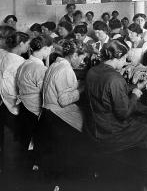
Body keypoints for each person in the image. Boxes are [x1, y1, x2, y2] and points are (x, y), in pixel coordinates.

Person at [84, 40, 147, 153]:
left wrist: (137, 86)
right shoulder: (115, 78)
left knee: (141, 121)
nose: (125, 63)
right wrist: (134, 95)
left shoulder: (92, 71)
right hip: (110, 133)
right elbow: (124, 114)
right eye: (125, 59)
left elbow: (107, 90)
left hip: (95, 126)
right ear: (118, 57)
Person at [38, 40, 86, 174]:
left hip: (48, 113)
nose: (82, 62)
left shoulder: (56, 64)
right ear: (75, 55)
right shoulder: (65, 69)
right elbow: (64, 100)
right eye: (82, 58)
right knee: (86, 125)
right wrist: (81, 89)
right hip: (56, 116)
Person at [16, 35, 53, 161]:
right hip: (34, 109)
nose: (51, 51)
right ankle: (35, 164)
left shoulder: (24, 63)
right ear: (45, 49)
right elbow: (47, 93)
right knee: (37, 139)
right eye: (50, 48)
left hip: (23, 106)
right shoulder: (39, 69)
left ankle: (26, 163)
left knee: (26, 139)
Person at [0, 32, 29, 116]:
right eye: (27, 43)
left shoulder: (5, 56)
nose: (29, 46)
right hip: (12, 98)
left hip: (4, 95)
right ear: (21, 43)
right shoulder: (22, 62)